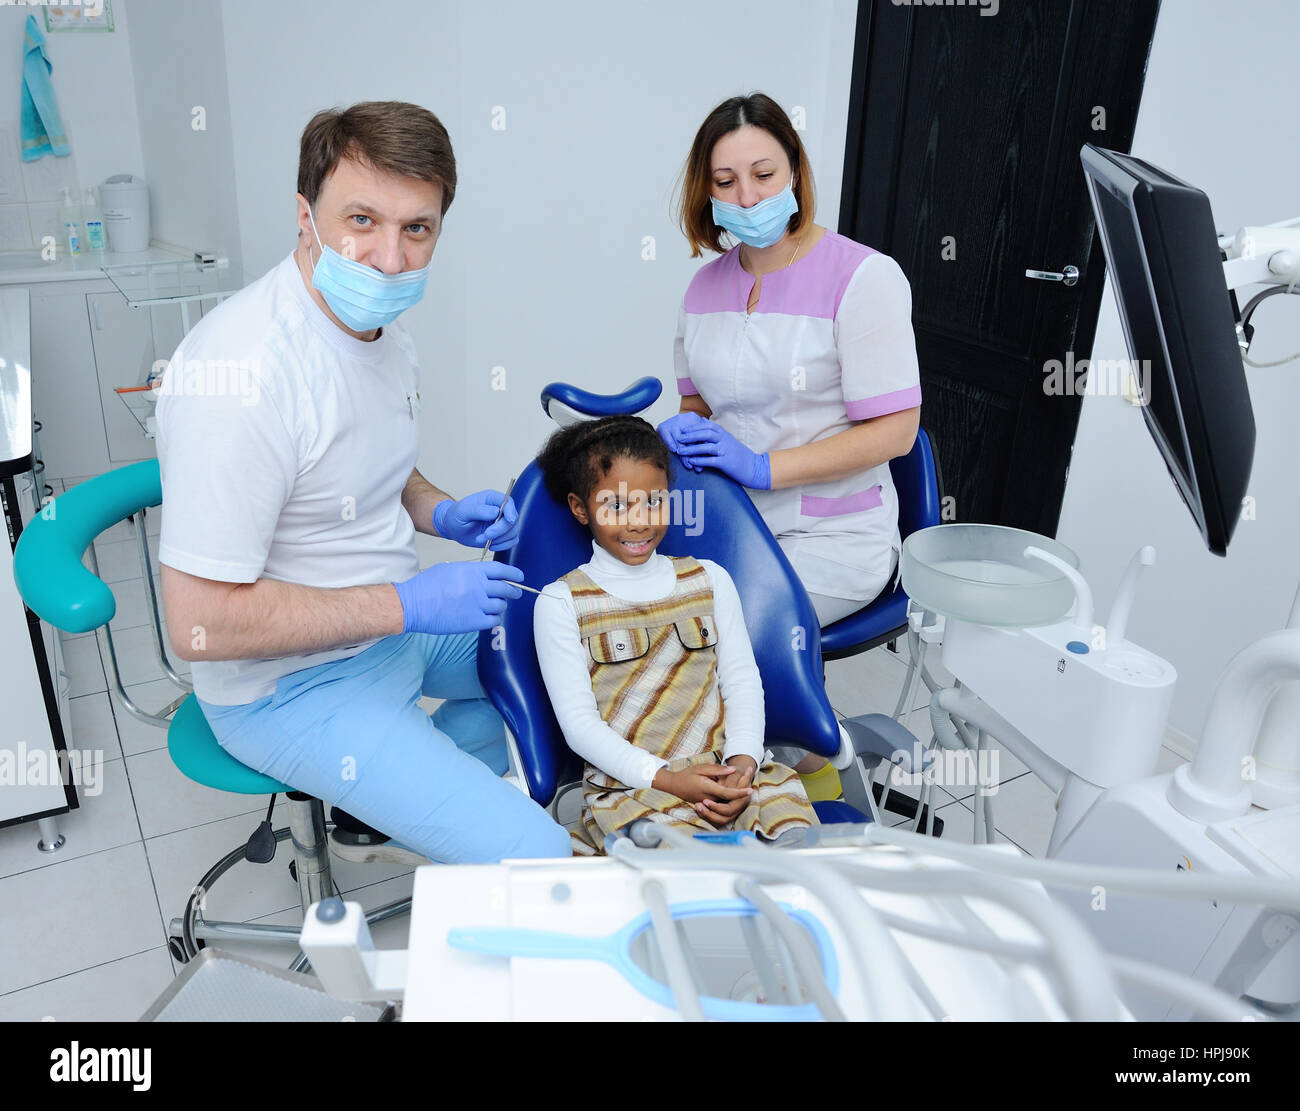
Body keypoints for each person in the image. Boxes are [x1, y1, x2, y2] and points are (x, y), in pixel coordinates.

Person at [156, 101, 570, 864]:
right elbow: (197, 623)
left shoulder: (380, 329)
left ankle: (397, 792)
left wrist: (441, 512)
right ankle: (427, 797)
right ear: (305, 215)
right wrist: (407, 603)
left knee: (571, 646)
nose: (389, 258)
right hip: (288, 686)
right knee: (536, 856)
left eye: (418, 228)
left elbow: (356, 461)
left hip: (386, 628)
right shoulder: (243, 375)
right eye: (362, 219)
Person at [659, 91, 922, 793]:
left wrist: (765, 466)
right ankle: (764, 767)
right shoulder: (703, 288)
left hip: (831, 534)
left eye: (763, 174)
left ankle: (819, 769)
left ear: (797, 173)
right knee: (639, 617)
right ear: (705, 191)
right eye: (725, 181)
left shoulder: (862, 277)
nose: (746, 194)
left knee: (709, 647)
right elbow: (698, 401)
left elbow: (896, 432)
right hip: (732, 529)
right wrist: (687, 430)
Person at [531, 416, 818, 854]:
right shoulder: (561, 603)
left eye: (654, 501)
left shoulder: (710, 579)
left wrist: (743, 763)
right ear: (579, 507)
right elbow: (580, 728)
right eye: (618, 505)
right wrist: (669, 780)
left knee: (804, 861)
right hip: (637, 790)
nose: (639, 522)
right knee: (695, 885)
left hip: (732, 775)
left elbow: (741, 683)